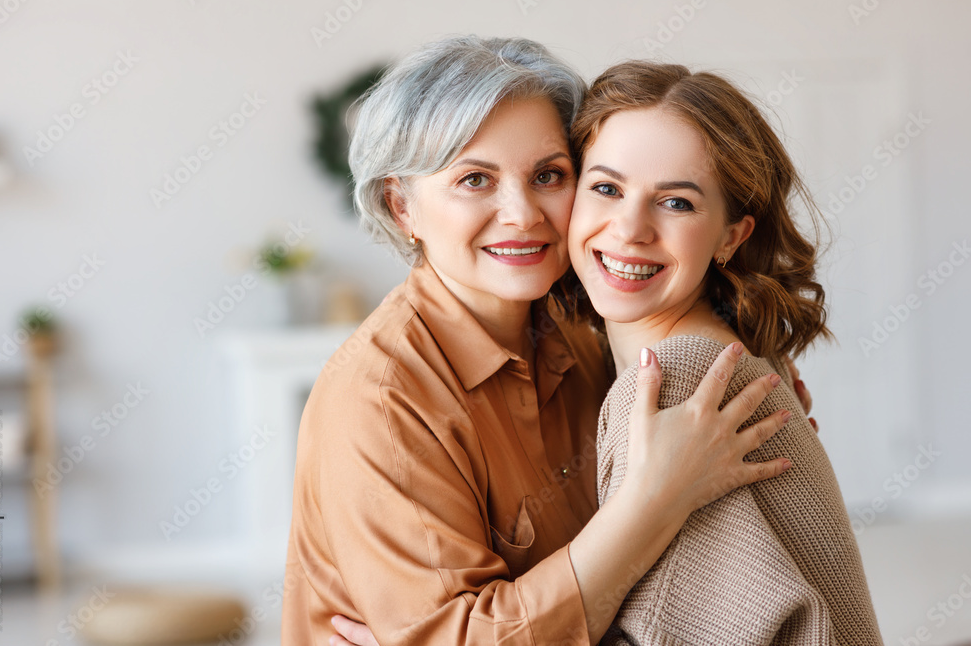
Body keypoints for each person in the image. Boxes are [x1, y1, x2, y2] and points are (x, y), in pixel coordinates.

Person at [281, 36, 800, 646]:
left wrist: (772, 383)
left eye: (548, 175)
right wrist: (652, 502)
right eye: (475, 179)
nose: (523, 213)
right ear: (403, 207)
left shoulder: (586, 328)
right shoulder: (378, 403)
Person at [559, 60, 883, 643]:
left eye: (677, 202)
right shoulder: (713, 354)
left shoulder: (676, 380)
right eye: (606, 187)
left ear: (732, 236)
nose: (630, 228)